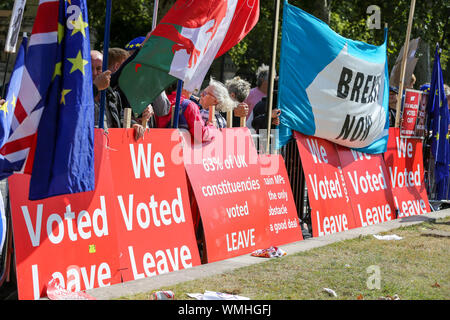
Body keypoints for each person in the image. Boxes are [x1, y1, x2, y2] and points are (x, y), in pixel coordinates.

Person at [91, 50, 152, 140]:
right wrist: (95, 88)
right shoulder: (74, 95)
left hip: (110, 148)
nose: (94, 73)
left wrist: (133, 124)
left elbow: (120, 117)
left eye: (99, 68)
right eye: (90, 68)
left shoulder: (111, 95)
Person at [244, 64, 270, 128]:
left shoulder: (274, 96)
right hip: (251, 129)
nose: (273, 81)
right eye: (271, 79)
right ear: (262, 79)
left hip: (269, 129)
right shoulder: (250, 94)